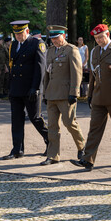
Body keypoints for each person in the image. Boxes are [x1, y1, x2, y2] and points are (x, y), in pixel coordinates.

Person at [70, 24, 111, 171]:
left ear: (108, 34)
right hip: (98, 97)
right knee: (94, 129)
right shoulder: (95, 51)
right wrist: (90, 94)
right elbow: (93, 76)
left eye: (101, 37)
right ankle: (88, 159)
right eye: (96, 38)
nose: (98, 40)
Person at [3, 20, 49, 160]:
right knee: (16, 119)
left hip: (31, 88)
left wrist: (35, 88)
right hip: (16, 88)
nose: (18, 36)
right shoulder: (14, 45)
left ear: (27, 32)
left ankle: (51, 141)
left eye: (20, 33)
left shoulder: (37, 44)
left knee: (35, 117)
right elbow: (13, 67)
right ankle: (17, 149)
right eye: (16, 34)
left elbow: (40, 68)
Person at [40, 25, 85, 165]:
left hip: (66, 94)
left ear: (63, 36)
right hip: (52, 94)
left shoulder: (71, 50)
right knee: (52, 126)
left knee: (70, 123)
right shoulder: (50, 51)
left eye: (56, 38)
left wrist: (74, 92)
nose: (53, 41)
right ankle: (53, 155)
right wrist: (45, 93)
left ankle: (82, 147)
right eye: (52, 38)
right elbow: (47, 74)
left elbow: (77, 73)